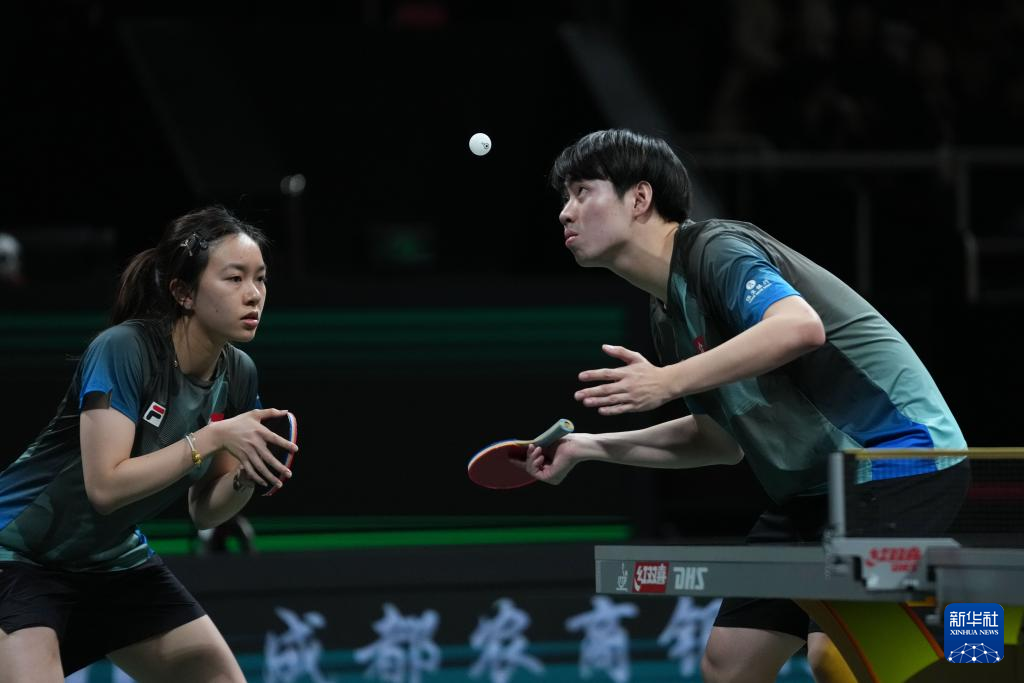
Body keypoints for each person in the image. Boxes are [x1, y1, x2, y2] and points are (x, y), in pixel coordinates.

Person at [525, 129, 970, 683]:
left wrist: (666, 381)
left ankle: (974, 628)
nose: (565, 212)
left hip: (898, 460)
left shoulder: (717, 250)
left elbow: (798, 327)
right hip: (815, 492)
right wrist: (589, 447)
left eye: (582, 192)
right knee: (729, 664)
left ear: (639, 198)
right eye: (564, 198)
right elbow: (720, 441)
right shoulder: (667, 312)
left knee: (834, 654)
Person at [0, 206, 297, 682]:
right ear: (184, 292)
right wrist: (213, 437)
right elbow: (105, 487)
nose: (253, 294)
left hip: (111, 561)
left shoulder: (238, 372)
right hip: (18, 554)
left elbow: (205, 511)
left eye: (260, 278)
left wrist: (244, 476)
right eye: (234, 278)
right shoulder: (124, 349)